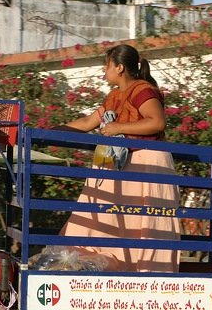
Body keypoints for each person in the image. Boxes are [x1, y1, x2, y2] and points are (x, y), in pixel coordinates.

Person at [57, 44, 181, 273]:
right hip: (123, 165)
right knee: (100, 218)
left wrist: (118, 128)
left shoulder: (142, 90)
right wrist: (51, 131)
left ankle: (149, 275)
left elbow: (157, 122)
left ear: (120, 67)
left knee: (147, 224)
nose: (104, 72)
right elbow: (86, 124)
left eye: (107, 66)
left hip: (148, 163)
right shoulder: (114, 96)